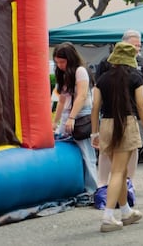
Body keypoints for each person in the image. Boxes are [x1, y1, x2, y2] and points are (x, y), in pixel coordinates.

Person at [91, 42, 143, 232]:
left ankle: (126, 211)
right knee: (119, 172)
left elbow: (95, 107)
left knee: (118, 171)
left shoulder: (102, 79)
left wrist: (94, 132)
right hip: (126, 124)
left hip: (107, 125)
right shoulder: (135, 76)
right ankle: (108, 216)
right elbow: (141, 106)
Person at [52, 42, 98, 197]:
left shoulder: (80, 71)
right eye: (57, 62)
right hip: (68, 116)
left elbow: (82, 95)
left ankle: (93, 191)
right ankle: (79, 188)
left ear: (70, 59)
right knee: (66, 151)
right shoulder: (65, 74)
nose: (59, 66)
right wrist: (55, 122)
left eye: (62, 62)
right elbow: (62, 100)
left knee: (87, 153)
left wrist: (71, 117)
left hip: (80, 115)